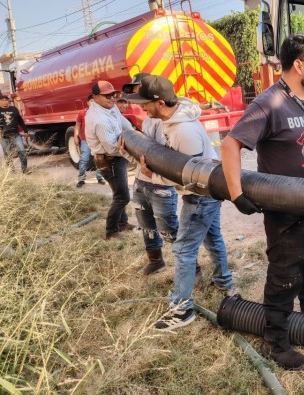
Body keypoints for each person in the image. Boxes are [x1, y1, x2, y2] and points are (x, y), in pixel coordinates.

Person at [221, 34, 304, 371]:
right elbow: (230, 145)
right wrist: (236, 193)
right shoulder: (269, 103)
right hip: (285, 212)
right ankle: (276, 341)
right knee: (285, 274)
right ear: (299, 65)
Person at [126, 75, 236, 330]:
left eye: (144, 103)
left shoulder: (183, 131)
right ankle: (224, 283)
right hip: (207, 191)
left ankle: (181, 309)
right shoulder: (171, 120)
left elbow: (191, 177)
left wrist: (153, 174)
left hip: (200, 196)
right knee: (213, 238)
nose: (141, 107)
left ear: (160, 102)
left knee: (184, 250)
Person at [120, 73, 178, 275]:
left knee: (169, 228)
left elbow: (162, 158)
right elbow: (143, 157)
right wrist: (128, 153)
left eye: (139, 89)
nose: (137, 96)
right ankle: (156, 261)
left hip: (160, 185)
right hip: (141, 182)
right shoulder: (147, 121)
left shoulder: (165, 121)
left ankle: (190, 266)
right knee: (146, 226)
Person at [85, 80, 136, 240]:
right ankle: (111, 231)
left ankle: (122, 223)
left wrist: (136, 136)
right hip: (110, 159)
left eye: (114, 94)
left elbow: (124, 123)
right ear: (95, 97)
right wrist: (133, 157)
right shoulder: (99, 119)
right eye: (107, 95)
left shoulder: (110, 107)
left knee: (119, 192)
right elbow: (112, 148)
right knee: (122, 197)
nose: (112, 98)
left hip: (116, 157)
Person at [74, 95, 106, 187]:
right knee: (84, 159)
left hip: (97, 141)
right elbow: (77, 126)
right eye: (91, 101)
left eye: (95, 101)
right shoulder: (82, 113)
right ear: (87, 103)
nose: (93, 103)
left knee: (99, 159)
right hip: (85, 140)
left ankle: (100, 177)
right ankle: (81, 179)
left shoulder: (101, 113)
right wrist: (75, 137)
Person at [0, 93, 30, 173]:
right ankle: (11, 171)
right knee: (7, 154)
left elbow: (20, 120)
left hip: (16, 135)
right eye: (2, 100)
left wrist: (25, 131)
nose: (5, 101)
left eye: (6, 100)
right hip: (4, 136)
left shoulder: (14, 109)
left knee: (22, 151)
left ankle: (25, 169)